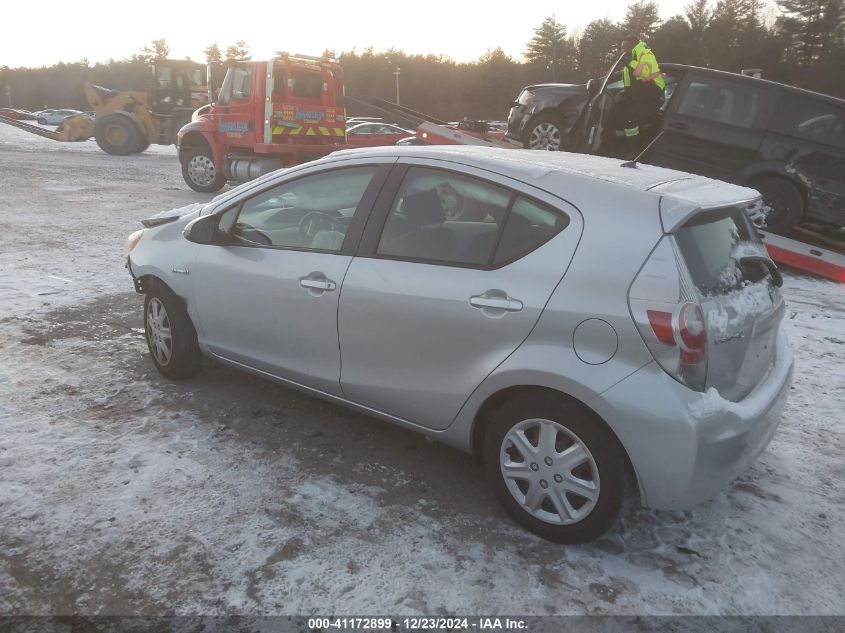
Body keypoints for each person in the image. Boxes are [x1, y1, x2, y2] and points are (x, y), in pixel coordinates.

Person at [608, 34, 665, 158]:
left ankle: (635, 151)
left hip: (653, 94)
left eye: (624, 47)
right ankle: (617, 146)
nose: (622, 50)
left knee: (630, 119)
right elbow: (629, 81)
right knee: (617, 113)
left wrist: (630, 62)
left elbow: (646, 72)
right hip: (639, 95)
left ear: (632, 46)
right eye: (621, 47)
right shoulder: (631, 59)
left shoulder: (645, 54)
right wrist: (624, 94)